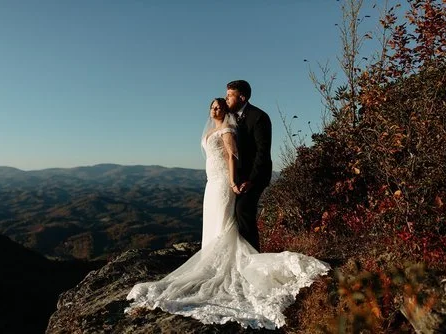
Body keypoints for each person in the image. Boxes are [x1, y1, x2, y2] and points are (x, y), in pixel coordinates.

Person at [124, 97, 330, 329]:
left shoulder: (228, 128)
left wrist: (232, 182)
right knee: (213, 222)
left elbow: (232, 155)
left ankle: (224, 263)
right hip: (211, 182)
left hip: (223, 181)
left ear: (225, 110)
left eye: (220, 107)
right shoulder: (213, 127)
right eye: (212, 107)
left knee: (224, 222)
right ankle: (210, 259)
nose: (215, 110)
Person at [226, 80, 272, 252]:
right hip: (235, 175)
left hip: (256, 175)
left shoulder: (259, 117)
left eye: (230, 95)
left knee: (243, 209)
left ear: (242, 97)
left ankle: (253, 257)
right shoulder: (228, 117)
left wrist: (251, 180)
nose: (226, 98)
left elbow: (263, 152)